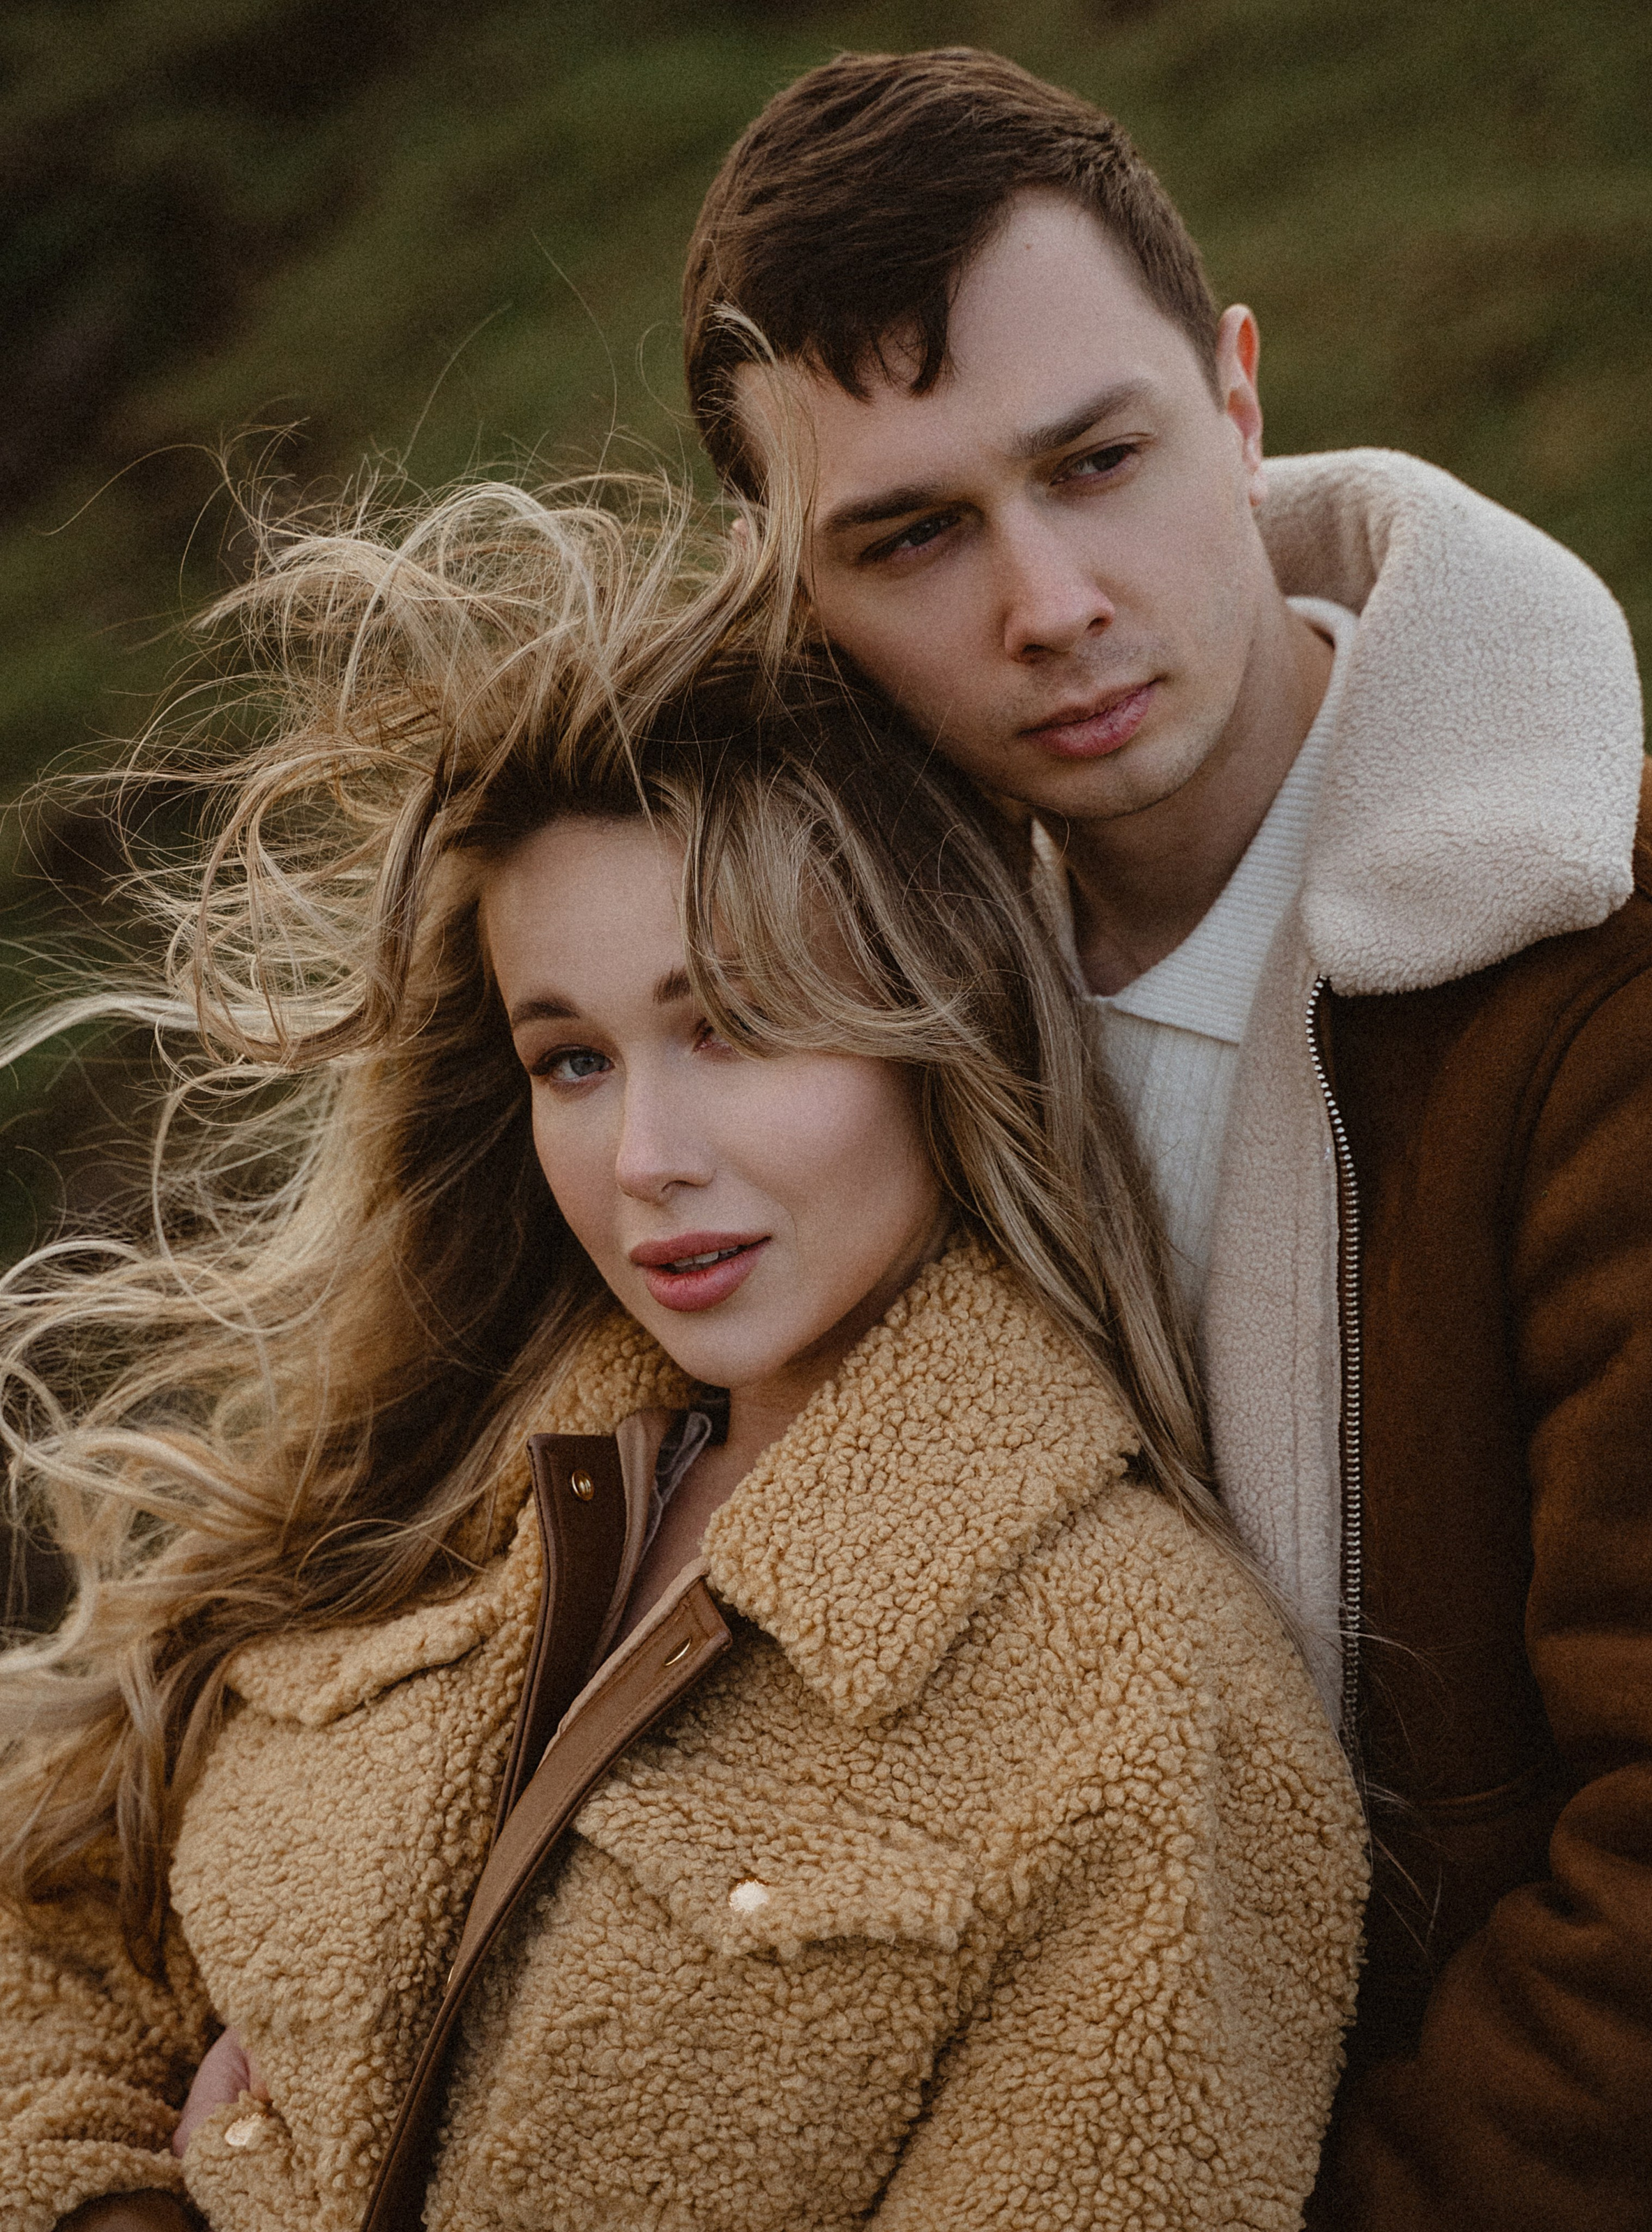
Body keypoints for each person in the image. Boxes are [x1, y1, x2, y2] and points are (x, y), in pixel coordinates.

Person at [679, 46, 1652, 2232]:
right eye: (912, 536)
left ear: (1240, 394)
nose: (1050, 604)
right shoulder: (837, 1022)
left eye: (1098, 462)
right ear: (798, 587)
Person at [0, 479, 1365, 2231]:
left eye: (734, 1025)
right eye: (572, 1057)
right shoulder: (450, 1470)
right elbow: (55, 1918)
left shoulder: (1147, 1710)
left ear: (938, 1025)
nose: (645, 1154)